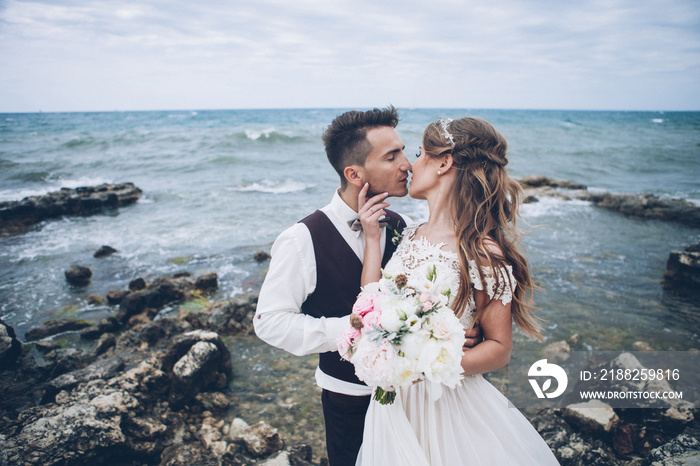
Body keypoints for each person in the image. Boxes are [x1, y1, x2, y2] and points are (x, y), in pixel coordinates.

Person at [254, 106, 487, 466]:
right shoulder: (301, 239)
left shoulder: (403, 225)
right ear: (354, 172)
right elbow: (269, 321)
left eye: (406, 151)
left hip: (415, 400)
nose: (408, 164)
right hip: (348, 398)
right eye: (392, 156)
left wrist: (451, 335)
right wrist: (354, 331)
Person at [355, 117, 560, 465]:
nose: (410, 164)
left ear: (444, 163)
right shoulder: (411, 234)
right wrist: (372, 239)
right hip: (393, 404)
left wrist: (430, 363)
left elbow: (499, 349)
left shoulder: (482, 252)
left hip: (444, 406)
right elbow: (371, 303)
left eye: (420, 153)